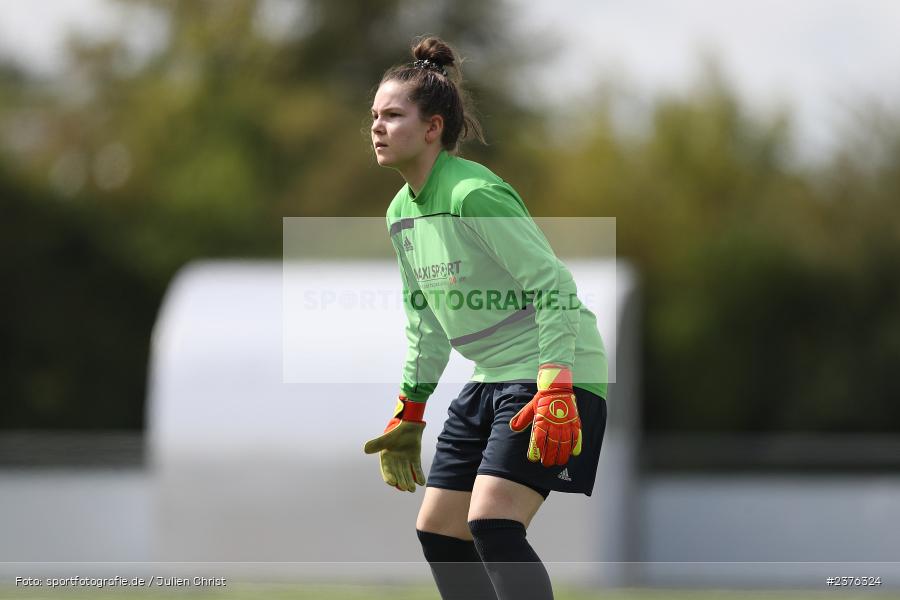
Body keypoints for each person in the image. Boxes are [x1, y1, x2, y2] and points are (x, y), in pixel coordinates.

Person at [363, 36, 608, 600]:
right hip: (491, 377)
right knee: (439, 531)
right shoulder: (400, 212)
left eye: (392, 115)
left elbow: (554, 285)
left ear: (433, 127)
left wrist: (555, 383)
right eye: (374, 116)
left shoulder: (474, 193)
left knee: (492, 521)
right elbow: (424, 320)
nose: (376, 126)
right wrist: (410, 408)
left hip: (553, 373)